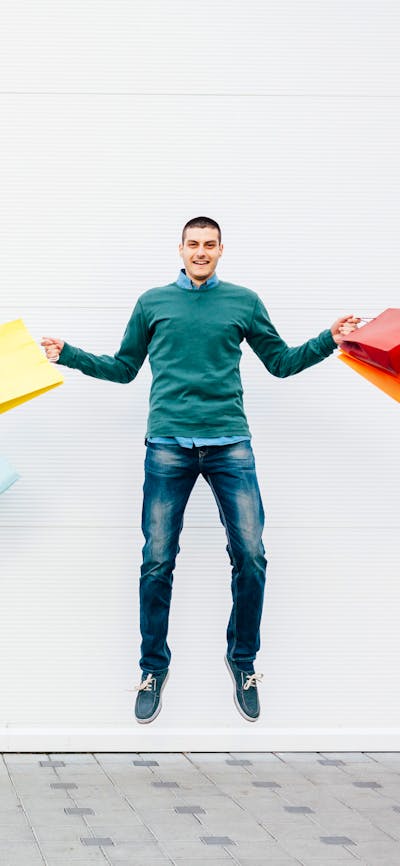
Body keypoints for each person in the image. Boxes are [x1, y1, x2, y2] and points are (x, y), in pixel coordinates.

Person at [41, 216, 360, 725]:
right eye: (193, 244)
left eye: (210, 244)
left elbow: (280, 361)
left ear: (221, 250)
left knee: (251, 555)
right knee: (157, 561)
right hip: (168, 444)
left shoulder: (243, 301)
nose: (201, 251)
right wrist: (70, 355)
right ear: (181, 249)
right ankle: (152, 668)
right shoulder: (153, 303)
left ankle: (243, 661)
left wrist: (328, 338)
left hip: (230, 443)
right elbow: (124, 368)